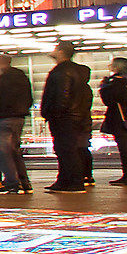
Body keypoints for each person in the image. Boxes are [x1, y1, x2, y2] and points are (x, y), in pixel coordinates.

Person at [39, 41, 95, 192]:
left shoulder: (62, 71)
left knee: (66, 150)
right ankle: (65, 180)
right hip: (75, 116)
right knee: (68, 149)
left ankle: (73, 182)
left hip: (64, 117)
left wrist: (53, 113)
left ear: (61, 52)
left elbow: (61, 95)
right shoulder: (78, 72)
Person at [0, 53, 33, 195]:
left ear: (0, 63)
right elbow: (29, 97)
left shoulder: (4, 78)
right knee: (14, 151)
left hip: (4, 118)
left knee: (3, 153)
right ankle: (24, 183)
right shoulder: (22, 77)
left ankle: (12, 183)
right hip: (19, 118)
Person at [99, 58, 127, 184]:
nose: (110, 66)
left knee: (124, 147)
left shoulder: (117, 81)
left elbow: (110, 100)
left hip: (120, 117)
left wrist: (103, 87)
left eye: (112, 64)